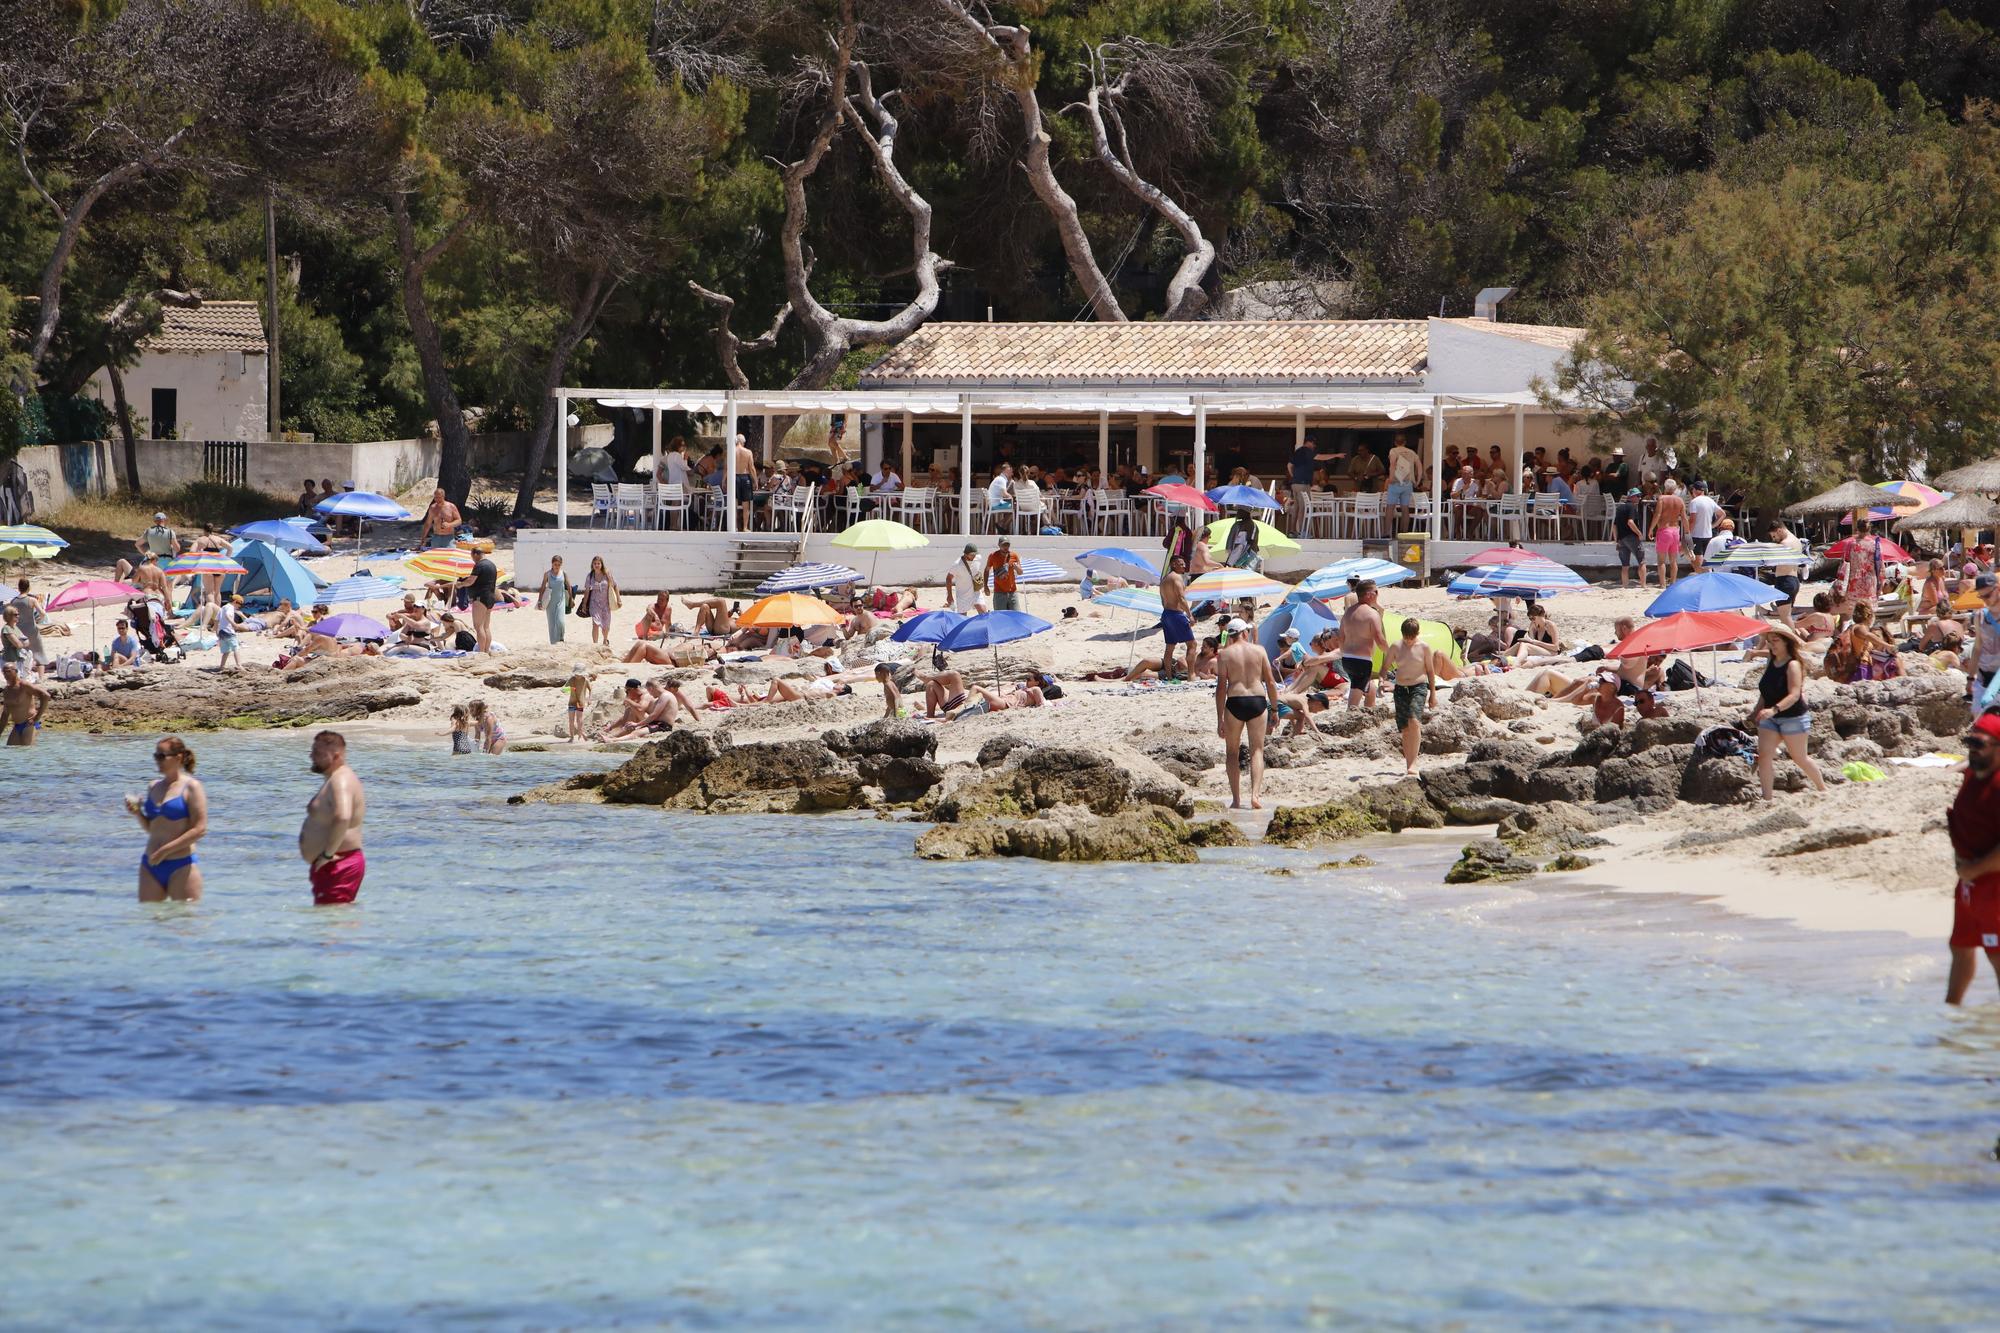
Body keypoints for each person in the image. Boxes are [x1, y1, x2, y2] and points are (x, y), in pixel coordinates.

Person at [1947, 710, 2000, 1003]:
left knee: (1997, 956)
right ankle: (1951, 1016)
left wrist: (1975, 869)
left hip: (1994, 886)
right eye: (1969, 743)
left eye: (1979, 744)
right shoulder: (1971, 775)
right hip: (1968, 882)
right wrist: (1962, 867)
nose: (1972, 750)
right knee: (1960, 947)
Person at [121, 735, 207, 901]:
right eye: (155, 756)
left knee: (183, 922)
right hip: (150, 864)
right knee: (150, 919)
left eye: (161, 756)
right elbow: (152, 829)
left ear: (178, 757)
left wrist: (165, 851)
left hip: (181, 864)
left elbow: (200, 829)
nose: (157, 760)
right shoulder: (154, 786)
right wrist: (138, 813)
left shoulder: (192, 787)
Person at [1749, 625, 1825, 800]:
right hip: (1770, 718)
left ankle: (1822, 789)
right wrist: (1756, 711)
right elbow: (1765, 691)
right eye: (1769, 641)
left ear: (1786, 642)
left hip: (1793, 717)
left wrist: (1773, 709)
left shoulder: (1793, 665)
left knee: (1800, 758)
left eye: (1775, 641)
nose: (1771, 645)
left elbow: (1794, 694)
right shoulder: (1770, 661)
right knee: (1764, 756)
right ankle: (1767, 798)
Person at [1214, 617, 1278, 810]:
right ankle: (1255, 796)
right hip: (1257, 701)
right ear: (1244, 633)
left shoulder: (1224, 654)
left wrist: (1220, 719)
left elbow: (1221, 688)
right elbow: (1271, 682)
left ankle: (1235, 799)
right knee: (1257, 750)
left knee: (1232, 752)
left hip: (1235, 701)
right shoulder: (1259, 651)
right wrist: (1274, 709)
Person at [298, 730, 366, 905]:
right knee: (328, 924)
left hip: (338, 866)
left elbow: (343, 817)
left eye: (318, 753)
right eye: (312, 751)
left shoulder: (340, 781)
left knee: (334, 926)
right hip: (332, 866)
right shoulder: (335, 779)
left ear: (336, 756)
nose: (312, 756)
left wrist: (327, 855)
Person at [1384, 617, 1437, 774]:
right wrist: (1381, 679)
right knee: (1405, 729)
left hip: (1419, 687)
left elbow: (1430, 671)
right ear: (1402, 634)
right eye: (1406, 637)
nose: (1408, 640)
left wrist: (1433, 694)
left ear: (1417, 634)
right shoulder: (1396, 646)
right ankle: (1409, 764)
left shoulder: (1424, 647)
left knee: (1414, 721)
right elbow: (1385, 666)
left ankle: (1414, 763)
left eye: (1411, 637)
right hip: (1400, 689)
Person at [1340, 578, 1387, 709]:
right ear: (1369, 594)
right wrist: (1391, 654)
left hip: (1347, 659)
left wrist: (1344, 653)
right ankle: (1347, 723)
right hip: (1362, 661)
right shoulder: (1372, 614)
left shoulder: (1348, 613)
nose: (1378, 594)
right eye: (1376, 591)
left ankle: (1369, 711)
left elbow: (1341, 637)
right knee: (1353, 702)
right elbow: (1380, 639)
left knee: (1370, 685)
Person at [1841, 517, 1886, 613]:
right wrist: (1881, 584)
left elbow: (1844, 563)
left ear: (1857, 528)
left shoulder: (1850, 544)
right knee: (1868, 611)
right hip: (1869, 582)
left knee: (1854, 611)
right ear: (1869, 529)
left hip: (1854, 581)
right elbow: (1881, 567)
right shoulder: (1875, 545)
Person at [1647, 479, 1687, 586]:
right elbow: (1684, 518)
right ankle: (1673, 583)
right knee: (1673, 561)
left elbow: (1658, 515)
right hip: (1675, 531)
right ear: (1674, 489)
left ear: (1665, 488)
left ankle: (1663, 584)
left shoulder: (1662, 499)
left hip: (1664, 531)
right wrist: (1687, 533)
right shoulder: (1680, 500)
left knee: (1661, 561)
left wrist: (1651, 528)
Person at [1765, 518, 1805, 626]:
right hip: (1794, 580)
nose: (1774, 539)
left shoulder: (1784, 544)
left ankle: (1795, 641)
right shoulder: (1797, 541)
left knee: (1785, 618)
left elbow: (1772, 562)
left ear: (1779, 530)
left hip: (1784, 581)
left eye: (1774, 536)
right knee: (1787, 615)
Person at [1159, 555, 1193, 680]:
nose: (1184, 565)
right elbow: (1181, 598)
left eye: (1184, 563)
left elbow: (1163, 599)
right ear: (1173, 564)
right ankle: (1191, 675)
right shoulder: (1177, 578)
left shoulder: (1165, 579)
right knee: (1192, 644)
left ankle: (1169, 677)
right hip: (1176, 614)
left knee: (1169, 647)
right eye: (1181, 563)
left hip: (1166, 614)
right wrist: (1190, 615)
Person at [3, 662, 50, 744]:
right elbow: (5, 714)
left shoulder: (24, 685)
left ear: (16, 671)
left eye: (9, 671)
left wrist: (37, 717)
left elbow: (45, 696)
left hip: (29, 725)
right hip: (17, 726)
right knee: (10, 750)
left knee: (28, 753)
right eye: (4, 672)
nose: (6, 674)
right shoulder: (7, 690)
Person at [9, 577, 46, 677]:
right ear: (29, 587)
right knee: (38, 654)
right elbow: (42, 613)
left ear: (18, 588)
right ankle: (41, 678)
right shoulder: (32, 600)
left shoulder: (13, 601)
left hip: (19, 630)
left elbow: (11, 617)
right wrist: (38, 620)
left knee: (21, 654)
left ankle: (21, 676)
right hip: (31, 629)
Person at [1385, 430, 1421, 531]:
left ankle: (1387, 532)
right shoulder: (1412, 452)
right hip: (1408, 484)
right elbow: (1419, 466)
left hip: (1395, 482)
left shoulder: (1393, 451)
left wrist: (1391, 478)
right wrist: (1417, 480)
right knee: (1405, 509)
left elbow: (1392, 464)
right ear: (1405, 442)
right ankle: (1403, 532)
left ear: (1395, 442)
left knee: (1390, 508)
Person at [1612, 487, 1647, 587]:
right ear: (1632, 497)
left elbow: (1614, 526)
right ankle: (1643, 585)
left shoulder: (1619, 508)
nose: (1640, 498)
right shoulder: (1632, 507)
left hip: (1621, 539)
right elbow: (1630, 522)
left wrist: (1616, 540)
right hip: (1631, 537)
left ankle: (1625, 585)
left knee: (1625, 565)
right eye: (1638, 496)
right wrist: (1639, 533)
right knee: (1642, 561)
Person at [581, 554, 618, 647]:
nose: (597, 565)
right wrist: (584, 604)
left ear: (601, 564)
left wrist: (619, 599)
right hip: (594, 603)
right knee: (595, 624)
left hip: (606, 604)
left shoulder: (607, 574)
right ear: (592, 565)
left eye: (598, 563)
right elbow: (586, 591)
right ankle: (595, 645)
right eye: (595, 563)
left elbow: (615, 586)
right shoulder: (590, 576)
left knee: (606, 625)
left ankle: (605, 640)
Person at [1686, 480, 1721, 570]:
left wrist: (1687, 534)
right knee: (1705, 560)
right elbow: (1722, 514)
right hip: (1708, 534)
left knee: (1696, 561)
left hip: (1696, 534)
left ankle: (1701, 578)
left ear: (1695, 490)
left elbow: (1692, 520)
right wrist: (1713, 526)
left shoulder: (1694, 502)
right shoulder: (1710, 501)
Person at [537, 555, 571, 644]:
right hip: (550, 602)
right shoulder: (547, 574)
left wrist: (571, 599)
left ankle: (561, 638)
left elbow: (569, 586)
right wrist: (539, 600)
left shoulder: (564, 573)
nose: (557, 566)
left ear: (561, 564)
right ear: (552, 564)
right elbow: (542, 587)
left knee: (561, 621)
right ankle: (553, 642)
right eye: (555, 564)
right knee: (551, 623)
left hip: (561, 601)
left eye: (559, 564)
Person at [984, 536, 1022, 612]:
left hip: (1012, 592)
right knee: (1000, 618)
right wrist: (985, 586)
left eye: (1007, 545)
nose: (1006, 547)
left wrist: (1017, 568)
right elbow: (987, 570)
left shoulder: (1014, 556)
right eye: (1003, 545)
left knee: (1016, 616)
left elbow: (1020, 572)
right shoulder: (993, 556)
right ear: (999, 545)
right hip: (999, 592)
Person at [945, 543, 982, 614]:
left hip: (976, 592)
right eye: (972, 555)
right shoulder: (957, 565)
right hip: (962, 595)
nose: (974, 556)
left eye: (975, 554)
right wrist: (949, 595)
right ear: (965, 554)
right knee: (962, 618)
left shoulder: (978, 558)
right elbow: (948, 578)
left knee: (983, 613)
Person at [732, 433, 758, 530]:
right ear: (743, 442)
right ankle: (745, 527)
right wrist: (755, 480)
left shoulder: (731, 451)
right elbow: (751, 467)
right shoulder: (748, 452)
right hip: (744, 477)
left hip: (734, 477)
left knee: (734, 503)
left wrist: (724, 480)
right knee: (745, 504)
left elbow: (727, 467)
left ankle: (734, 526)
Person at [215, 593, 244, 672]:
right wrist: (234, 624)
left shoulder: (223, 607)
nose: (239, 607)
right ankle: (239, 665)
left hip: (221, 631)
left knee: (226, 651)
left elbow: (216, 619)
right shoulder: (230, 607)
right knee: (236, 648)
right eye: (239, 605)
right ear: (235, 602)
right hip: (228, 631)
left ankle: (222, 666)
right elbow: (228, 616)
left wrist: (216, 630)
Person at [986, 463, 1015, 533]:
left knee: (1012, 507)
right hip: (996, 504)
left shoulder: (998, 478)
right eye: (1010, 471)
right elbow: (1004, 494)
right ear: (1005, 471)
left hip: (993, 503)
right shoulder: (1002, 480)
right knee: (1015, 509)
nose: (1011, 473)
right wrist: (1011, 497)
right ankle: (1002, 525)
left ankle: (1002, 525)